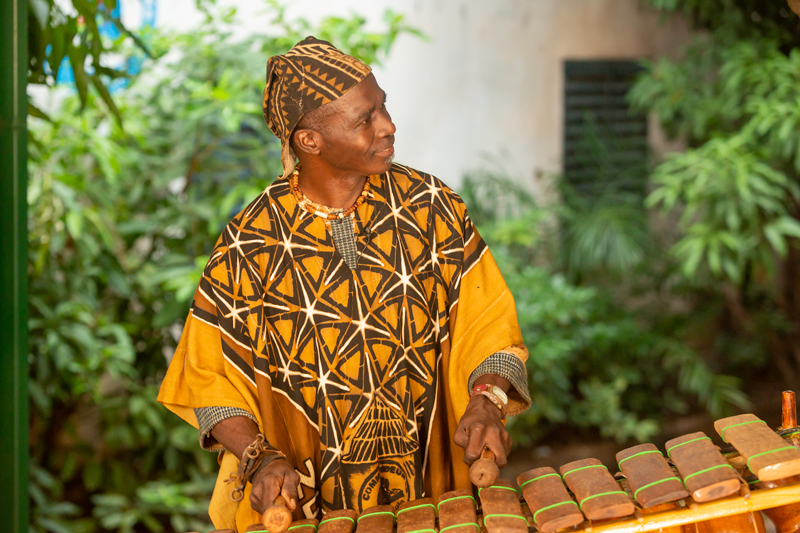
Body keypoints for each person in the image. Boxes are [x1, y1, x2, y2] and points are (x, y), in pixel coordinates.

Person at [157, 36, 531, 531]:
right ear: (309, 140)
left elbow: (490, 326)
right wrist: (260, 457)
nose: (388, 126)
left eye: (383, 108)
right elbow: (208, 381)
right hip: (312, 507)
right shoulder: (251, 244)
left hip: (435, 494)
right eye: (364, 119)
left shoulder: (432, 208)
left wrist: (486, 400)